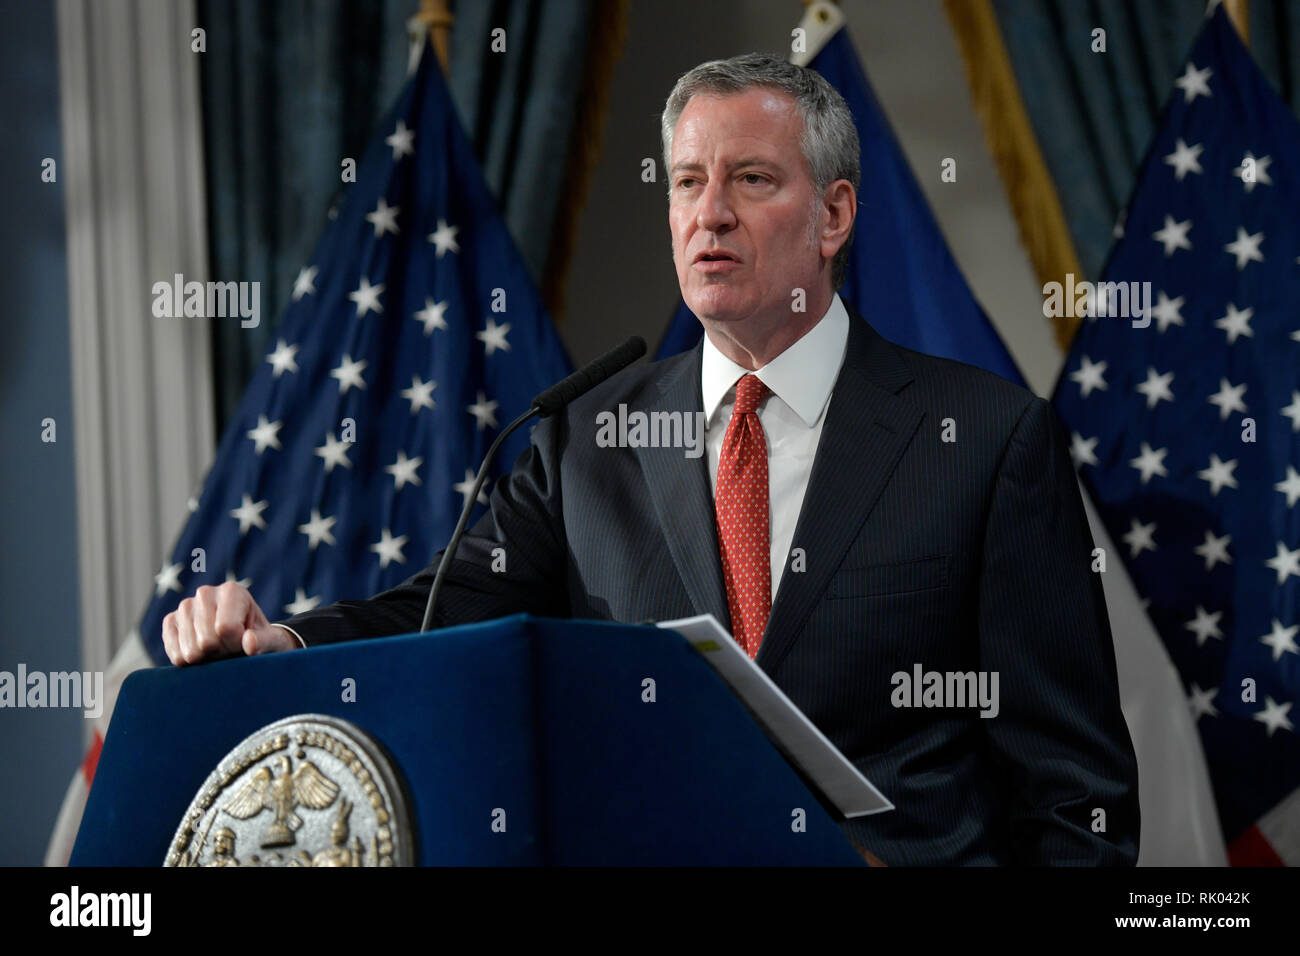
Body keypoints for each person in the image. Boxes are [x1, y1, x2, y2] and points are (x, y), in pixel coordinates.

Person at [163, 53, 1139, 865]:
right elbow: (433, 615)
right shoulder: (583, 438)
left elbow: (1076, 800)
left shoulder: (986, 438)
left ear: (834, 214)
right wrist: (279, 643)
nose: (708, 212)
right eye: (685, 181)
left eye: (750, 179)